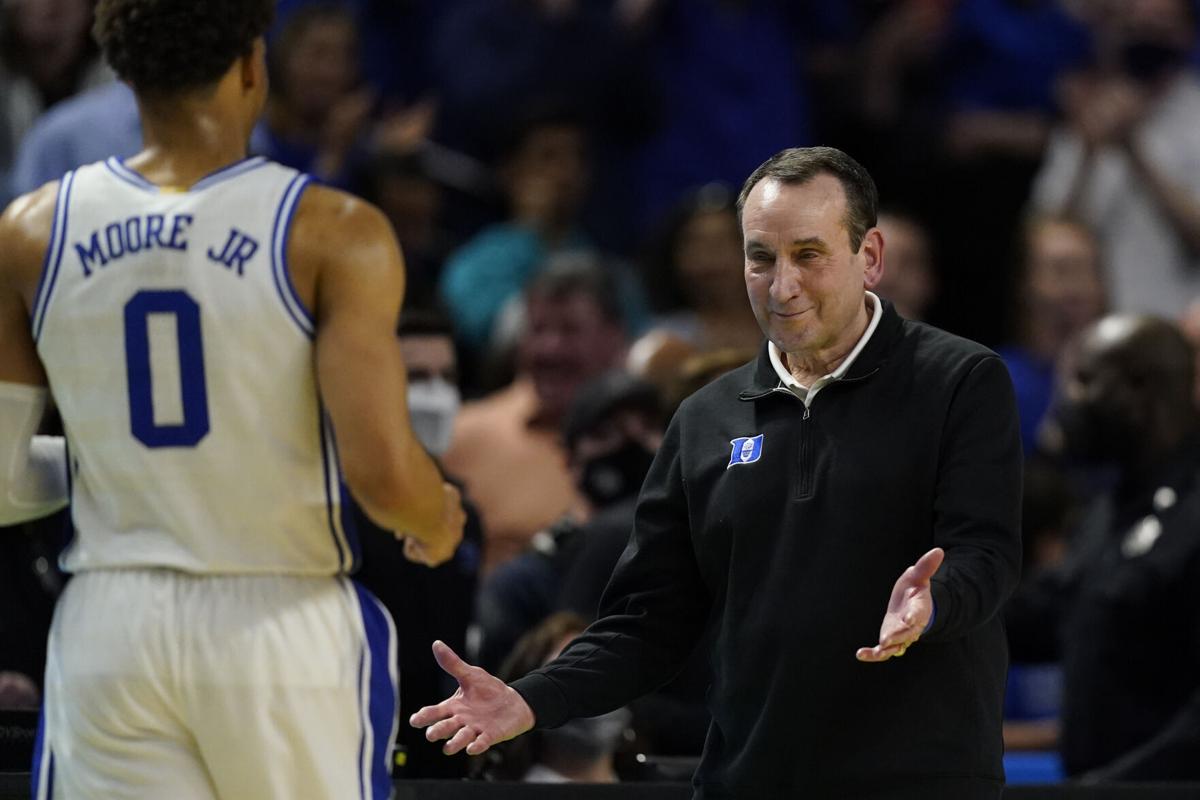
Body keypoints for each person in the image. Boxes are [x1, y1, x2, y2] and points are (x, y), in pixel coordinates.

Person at [411, 146, 1023, 799]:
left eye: (809, 255)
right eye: (761, 258)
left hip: (917, 781)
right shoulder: (705, 419)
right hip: (749, 782)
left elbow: (984, 554)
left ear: (869, 257)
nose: (782, 285)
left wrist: (934, 605)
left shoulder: (959, 381)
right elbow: (649, 621)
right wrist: (529, 701)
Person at [0, 1, 465, 798]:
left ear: (122, 72)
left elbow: (4, 485)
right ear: (254, 66)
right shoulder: (330, 230)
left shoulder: (30, 231)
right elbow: (383, 475)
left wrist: (118, 475)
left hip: (111, 622)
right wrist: (438, 517)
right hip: (280, 621)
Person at [1007, 314, 1200, 781]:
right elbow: (1039, 618)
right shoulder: (1105, 511)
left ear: (1139, 392)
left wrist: (1110, 789)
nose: (1066, 403)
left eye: (1084, 381)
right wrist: (933, 607)